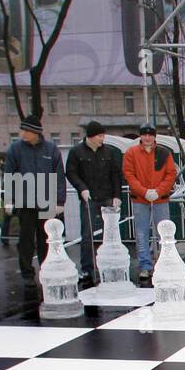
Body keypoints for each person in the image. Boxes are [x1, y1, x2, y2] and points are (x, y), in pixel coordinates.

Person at [3, 116, 66, 284]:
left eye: (26, 130)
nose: (22, 133)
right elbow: (8, 175)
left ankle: (46, 270)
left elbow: (59, 176)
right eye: (22, 130)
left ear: (35, 132)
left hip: (46, 202)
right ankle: (27, 274)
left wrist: (60, 201)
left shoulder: (51, 150)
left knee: (45, 239)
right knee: (26, 240)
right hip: (25, 202)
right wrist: (8, 200)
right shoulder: (15, 149)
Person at [66, 121, 122, 286]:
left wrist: (117, 195)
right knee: (87, 234)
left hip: (107, 197)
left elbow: (116, 175)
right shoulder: (76, 152)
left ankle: (110, 264)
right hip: (88, 197)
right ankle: (87, 268)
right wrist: (82, 188)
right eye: (100, 135)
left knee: (110, 233)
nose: (102, 139)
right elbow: (71, 172)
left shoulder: (109, 152)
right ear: (90, 136)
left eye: (103, 135)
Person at [122, 123, 178, 282]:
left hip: (161, 198)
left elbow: (170, 174)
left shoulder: (163, 152)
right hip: (140, 199)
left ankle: (164, 263)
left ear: (154, 136)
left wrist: (158, 191)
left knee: (165, 232)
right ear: (140, 136)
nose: (147, 138)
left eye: (150, 135)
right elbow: (129, 174)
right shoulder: (131, 153)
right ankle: (145, 266)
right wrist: (144, 191)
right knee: (141, 233)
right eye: (144, 134)